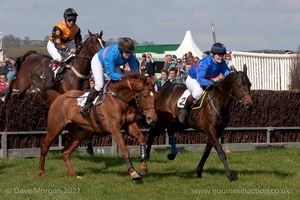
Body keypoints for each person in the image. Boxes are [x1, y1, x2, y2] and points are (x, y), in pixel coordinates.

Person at [80, 37, 139, 116]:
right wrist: (123, 77)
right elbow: (110, 73)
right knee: (99, 84)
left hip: (113, 64)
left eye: (130, 52)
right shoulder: (112, 53)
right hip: (99, 61)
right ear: (121, 50)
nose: (128, 55)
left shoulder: (130, 56)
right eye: (126, 52)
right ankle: (86, 106)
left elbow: (136, 73)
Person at [178, 42, 231, 124]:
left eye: (222, 55)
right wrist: (211, 83)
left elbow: (228, 74)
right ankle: (184, 110)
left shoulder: (222, 62)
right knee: (199, 92)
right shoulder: (205, 62)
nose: (221, 58)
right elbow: (200, 79)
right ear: (213, 54)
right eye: (219, 55)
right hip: (194, 79)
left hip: (207, 79)